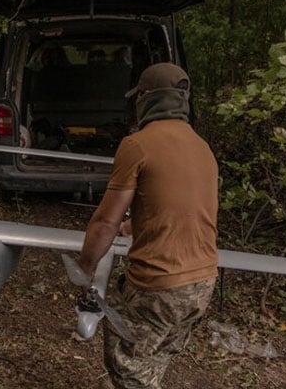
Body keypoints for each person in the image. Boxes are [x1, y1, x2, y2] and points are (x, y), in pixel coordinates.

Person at [77, 63, 218, 389]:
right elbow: (187, 210)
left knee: (127, 368)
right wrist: (137, 225)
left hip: (160, 285)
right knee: (154, 360)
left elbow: (104, 222)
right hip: (202, 284)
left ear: (145, 97)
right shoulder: (202, 147)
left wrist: (84, 269)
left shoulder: (137, 144)